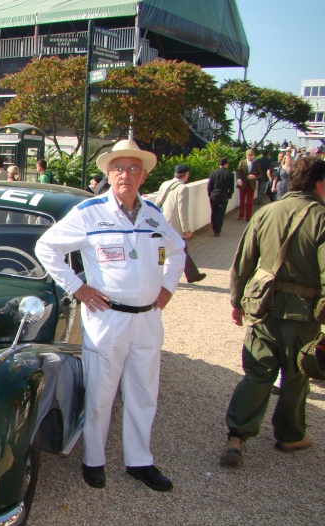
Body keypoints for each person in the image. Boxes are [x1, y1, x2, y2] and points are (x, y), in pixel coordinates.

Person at [35, 139, 185, 492]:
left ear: (144, 175)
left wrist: (167, 286)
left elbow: (175, 250)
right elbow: (46, 246)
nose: (125, 175)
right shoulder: (90, 213)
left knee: (143, 391)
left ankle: (139, 461)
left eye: (133, 168)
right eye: (118, 168)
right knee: (101, 392)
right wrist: (77, 287)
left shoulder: (153, 214)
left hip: (147, 319)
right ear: (108, 173)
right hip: (108, 318)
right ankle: (94, 460)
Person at [219, 156, 325, 468]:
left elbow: (243, 262)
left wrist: (237, 302)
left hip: (261, 306)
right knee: (296, 374)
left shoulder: (266, 212)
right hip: (302, 313)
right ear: (319, 183)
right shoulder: (322, 217)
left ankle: (236, 437)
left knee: (258, 371)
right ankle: (290, 436)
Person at [156, 164, 206, 283]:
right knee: (181, 248)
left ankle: (191, 274)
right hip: (174, 225)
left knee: (162, 249)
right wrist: (186, 229)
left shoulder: (165, 184)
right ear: (186, 175)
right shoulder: (182, 188)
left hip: (162, 221)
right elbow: (182, 210)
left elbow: (158, 202)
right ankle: (192, 275)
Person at [207, 157, 234, 236]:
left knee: (214, 211)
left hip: (214, 195)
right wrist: (229, 196)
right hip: (223, 195)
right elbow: (231, 188)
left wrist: (210, 194)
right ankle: (217, 230)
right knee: (220, 213)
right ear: (226, 164)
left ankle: (213, 226)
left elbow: (209, 186)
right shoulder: (230, 174)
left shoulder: (213, 173)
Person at [236, 148, 260, 220]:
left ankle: (248, 216)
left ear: (253, 156)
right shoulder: (242, 162)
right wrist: (238, 180)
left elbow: (260, 174)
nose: (249, 157)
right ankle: (241, 215)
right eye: (248, 155)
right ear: (246, 155)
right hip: (243, 184)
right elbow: (238, 172)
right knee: (242, 201)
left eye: (251, 155)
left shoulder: (256, 163)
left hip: (251, 184)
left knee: (250, 201)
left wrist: (254, 176)